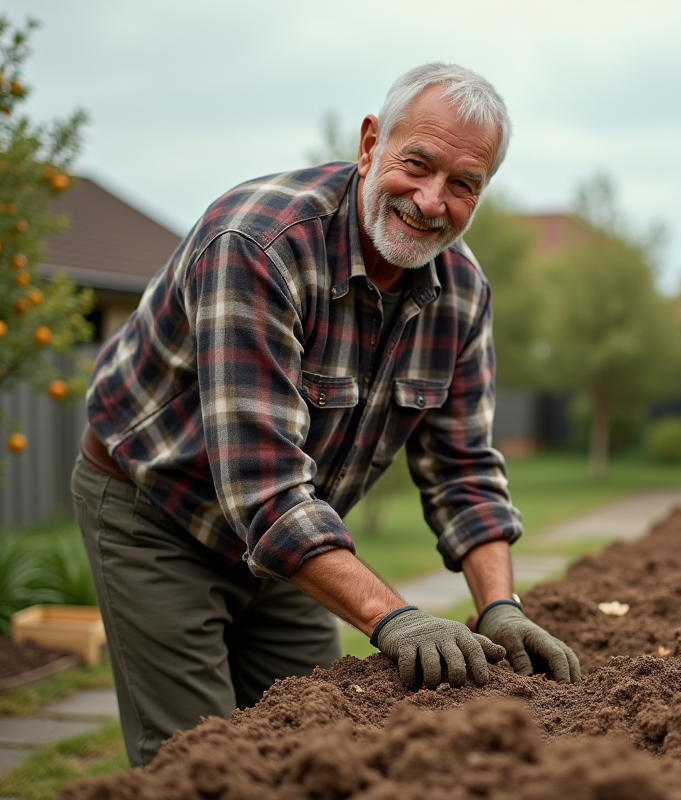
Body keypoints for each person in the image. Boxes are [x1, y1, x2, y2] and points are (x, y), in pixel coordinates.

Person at [71, 62, 580, 768]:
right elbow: (264, 489)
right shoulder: (257, 245)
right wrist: (394, 618)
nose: (432, 202)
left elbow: (463, 469)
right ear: (371, 144)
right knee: (197, 764)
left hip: (293, 539)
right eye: (418, 164)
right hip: (158, 514)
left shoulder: (460, 293)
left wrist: (500, 606)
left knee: (316, 746)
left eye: (463, 185)